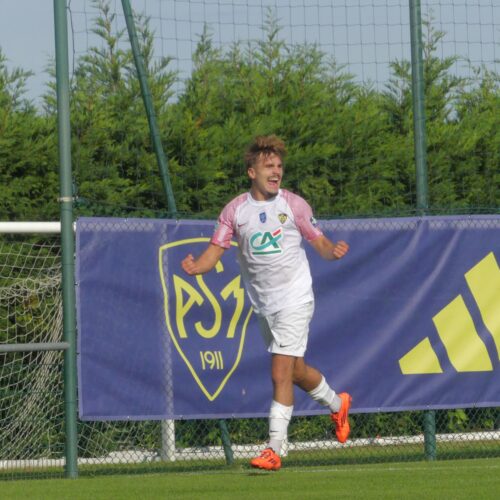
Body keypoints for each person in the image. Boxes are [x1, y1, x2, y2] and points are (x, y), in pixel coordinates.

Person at [181, 135, 351, 471]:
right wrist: (197, 267)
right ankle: (337, 403)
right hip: (264, 305)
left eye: (279, 166)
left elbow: (318, 242)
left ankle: (274, 448)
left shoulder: (294, 205)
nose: (276, 172)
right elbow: (216, 250)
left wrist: (332, 252)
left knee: (279, 372)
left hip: (296, 298)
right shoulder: (235, 211)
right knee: (296, 371)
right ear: (251, 172)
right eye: (268, 166)